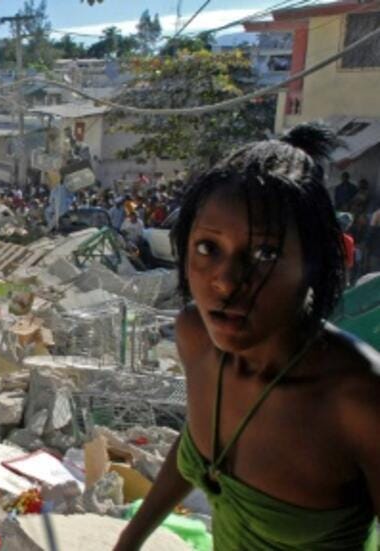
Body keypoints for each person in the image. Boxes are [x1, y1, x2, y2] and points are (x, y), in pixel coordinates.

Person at [114, 124, 379, 551]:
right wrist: (129, 539)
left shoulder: (357, 399)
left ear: (314, 261)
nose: (225, 281)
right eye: (207, 248)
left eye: (265, 254)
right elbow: (199, 443)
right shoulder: (195, 337)